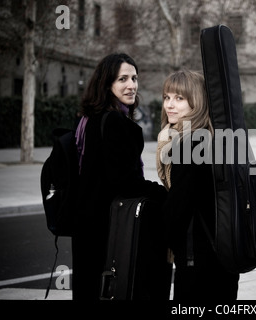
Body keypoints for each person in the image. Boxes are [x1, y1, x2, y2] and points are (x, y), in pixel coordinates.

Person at [72, 53, 167, 300]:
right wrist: (163, 193)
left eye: (134, 78)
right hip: (109, 226)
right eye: (122, 79)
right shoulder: (115, 122)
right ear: (107, 84)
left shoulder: (87, 119)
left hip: (85, 224)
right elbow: (125, 182)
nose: (131, 85)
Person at [156, 69, 240, 300]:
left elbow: (177, 210)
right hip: (224, 251)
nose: (170, 105)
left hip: (199, 256)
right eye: (167, 97)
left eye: (180, 98)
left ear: (198, 102)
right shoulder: (211, 137)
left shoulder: (189, 144)